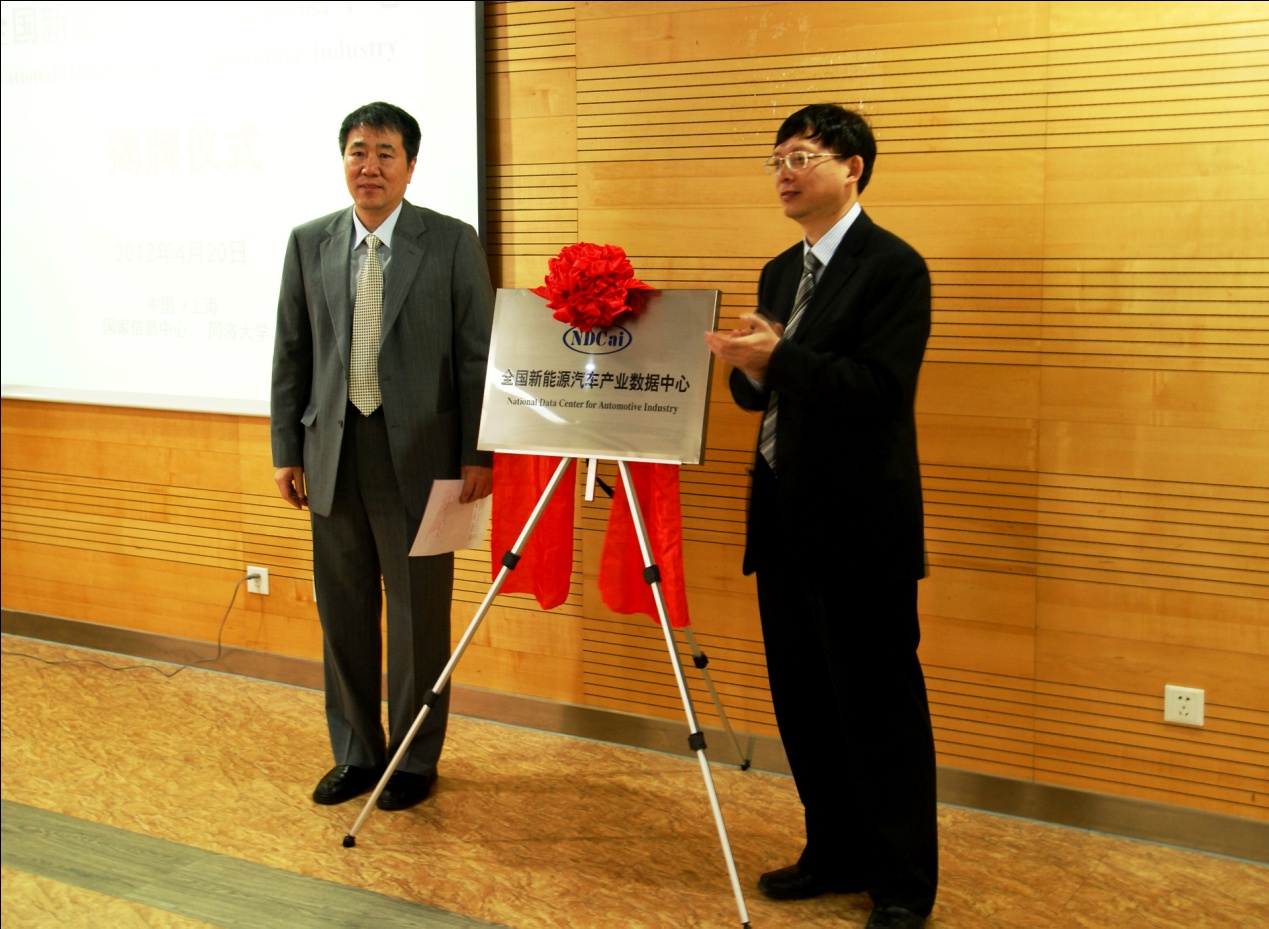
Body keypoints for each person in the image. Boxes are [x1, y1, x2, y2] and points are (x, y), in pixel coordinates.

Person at [704, 104, 937, 929]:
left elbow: (878, 392)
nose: (783, 173)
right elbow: (763, 392)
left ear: (853, 168)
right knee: (803, 702)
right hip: (782, 515)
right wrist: (750, 368)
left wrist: (781, 358)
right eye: (775, 159)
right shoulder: (780, 269)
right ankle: (833, 850)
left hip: (860, 525)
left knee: (878, 708)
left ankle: (902, 882)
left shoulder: (893, 267)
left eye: (801, 156)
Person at [271, 101, 494, 811]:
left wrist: (478, 453)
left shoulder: (451, 242)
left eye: (385, 153)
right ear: (343, 161)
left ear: (411, 165)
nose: (369, 166)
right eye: (358, 152)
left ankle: (413, 758)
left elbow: (477, 356)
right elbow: (292, 352)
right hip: (332, 452)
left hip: (424, 459)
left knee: (418, 618)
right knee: (343, 613)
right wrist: (286, 448)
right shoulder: (309, 241)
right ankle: (357, 752)